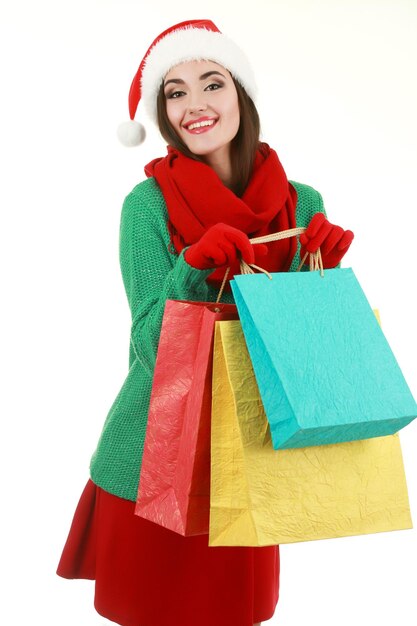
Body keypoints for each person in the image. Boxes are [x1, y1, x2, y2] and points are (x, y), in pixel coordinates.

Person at [56, 19, 354, 626]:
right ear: (162, 114)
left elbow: (302, 360)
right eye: (175, 91)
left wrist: (324, 277)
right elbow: (148, 347)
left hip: (250, 463)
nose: (195, 104)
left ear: (240, 93)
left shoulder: (304, 204)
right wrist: (192, 270)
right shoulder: (148, 207)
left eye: (211, 83)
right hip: (153, 461)